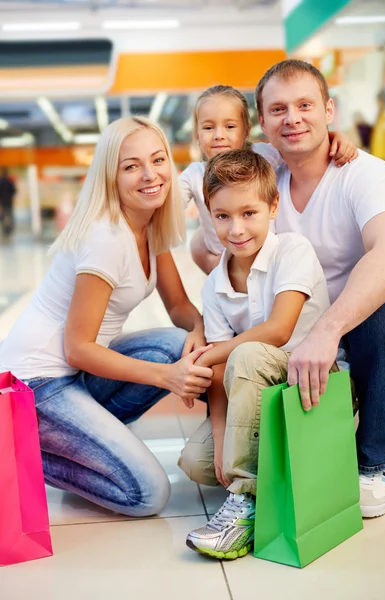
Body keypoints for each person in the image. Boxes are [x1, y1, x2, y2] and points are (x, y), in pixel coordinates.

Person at [0, 116, 214, 518]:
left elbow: (179, 309)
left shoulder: (150, 224)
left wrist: (200, 329)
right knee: (148, 494)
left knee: (174, 344)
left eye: (157, 160)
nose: (150, 175)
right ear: (110, 177)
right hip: (37, 386)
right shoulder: (106, 239)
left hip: (76, 378)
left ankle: (87, 442)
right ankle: (18, 449)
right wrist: (167, 378)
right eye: (131, 166)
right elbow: (77, 348)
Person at [254, 59, 385, 518]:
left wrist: (329, 329)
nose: (292, 118)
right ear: (262, 121)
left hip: (357, 334)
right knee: (205, 468)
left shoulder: (365, 173)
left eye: (304, 105)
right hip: (289, 336)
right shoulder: (263, 177)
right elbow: (208, 251)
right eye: (278, 109)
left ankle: (375, 458)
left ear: (329, 110)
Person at [179, 149, 331, 559]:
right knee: (197, 462)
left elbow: (279, 331)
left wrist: (206, 356)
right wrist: (221, 432)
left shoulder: (292, 250)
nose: (236, 229)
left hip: (309, 384)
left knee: (246, 353)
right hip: (252, 393)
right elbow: (219, 372)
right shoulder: (214, 285)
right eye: (222, 216)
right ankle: (265, 473)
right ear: (209, 214)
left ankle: (245, 504)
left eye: (249, 213)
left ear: (273, 206)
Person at [180, 84, 358, 275]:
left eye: (230, 126)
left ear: (246, 130)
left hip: (269, 264)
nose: (219, 135)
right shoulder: (194, 175)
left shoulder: (263, 155)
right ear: (196, 134)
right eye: (208, 127)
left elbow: (304, 147)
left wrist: (334, 137)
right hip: (224, 268)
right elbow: (168, 204)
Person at [0, 167, 16, 236]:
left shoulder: (0, 182)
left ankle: (5, 228)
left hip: (3, 202)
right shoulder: (9, 181)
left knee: (4, 215)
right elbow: (14, 191)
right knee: (9, 215)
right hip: (9, 202)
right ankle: (9, 228)